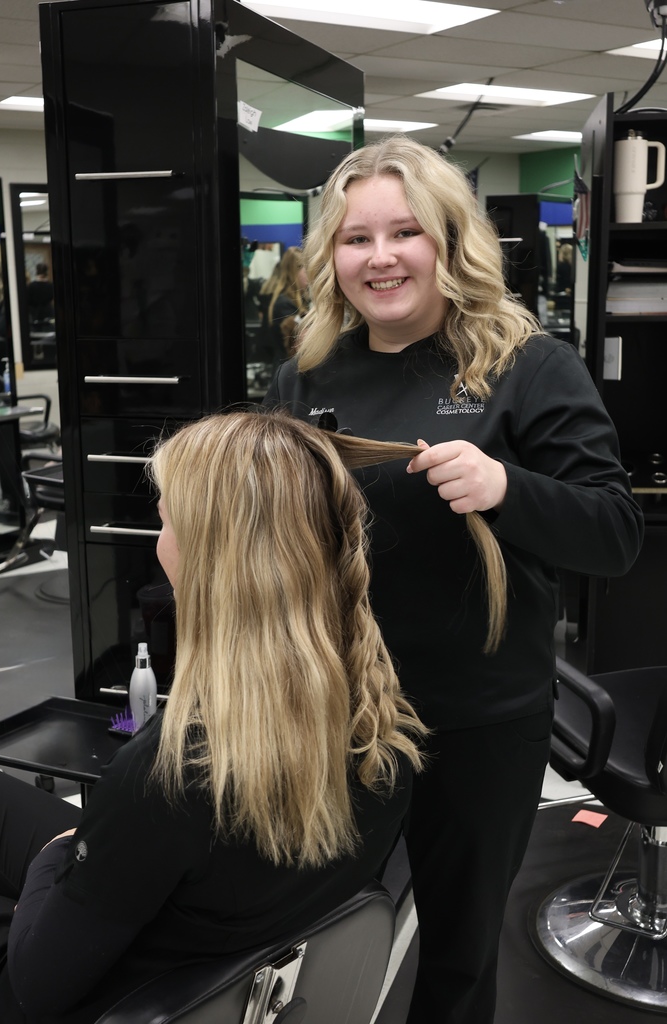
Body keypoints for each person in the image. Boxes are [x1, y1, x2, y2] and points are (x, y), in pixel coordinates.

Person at [264, 135, 644, 1024]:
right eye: (356, 239)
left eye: (405, 233)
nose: (381, 257)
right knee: (309, 933)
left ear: (448, 240)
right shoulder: (306, 372)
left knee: (457, 954)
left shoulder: (527, 365)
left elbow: (615, 532)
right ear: (332, 256)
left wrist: (507, 487)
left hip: (478, 721)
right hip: (340, 708)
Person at [0, 409, 427, 1024]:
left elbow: (31, 993)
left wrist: (60, 858)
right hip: (196, 919)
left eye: (164, 522)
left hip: (97, 993)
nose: (158, 542)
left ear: (213, 557)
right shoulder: (379, 724)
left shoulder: (167, 779)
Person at [259, 245, 310, 362]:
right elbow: (295, 345)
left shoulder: (286, 301)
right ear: (295, 272)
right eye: (305, 271)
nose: (309, 276)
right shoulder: (285, 305)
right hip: (288, 368)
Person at [26, 262, 54, 327]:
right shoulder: (51, 286)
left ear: (37, 271)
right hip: (48, 312)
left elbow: (28, 301)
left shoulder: (31, 286)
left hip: (34, 314)